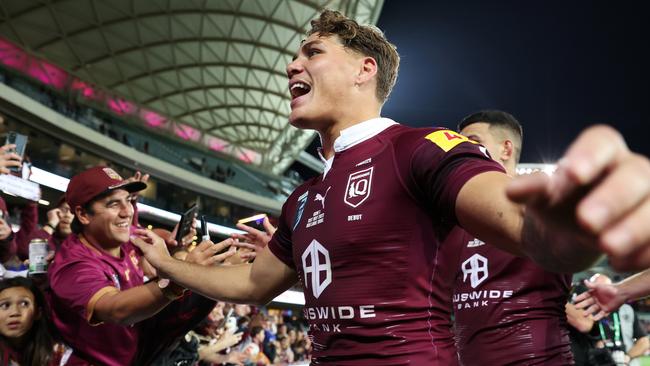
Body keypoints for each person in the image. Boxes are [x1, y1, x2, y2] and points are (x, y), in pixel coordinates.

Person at [133, 9, 650, 365]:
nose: (292, 64)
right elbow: (251, 284)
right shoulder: (305, 197)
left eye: (312, 52)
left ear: (365, 69)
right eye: (296, 56)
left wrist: (581, 221)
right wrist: (164, 264)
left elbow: (521, 225)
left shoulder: (421, 148)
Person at [47, 166, 236, 365]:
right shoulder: (72, 264)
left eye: (128, 200)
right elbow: (115, 310)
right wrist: (178, 278)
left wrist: (175, 246)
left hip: (138, 351)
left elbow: (151, 235)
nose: (127, 211)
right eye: (113, 204)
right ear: (83, 214)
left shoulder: (125, 237)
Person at [439, 110, 573, 364]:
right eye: (459, 145)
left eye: (474, 142)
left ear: (506, 149)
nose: (464, 151)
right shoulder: (456, 219)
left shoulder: (544, 203)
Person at [577, 274, 650, 366]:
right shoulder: (583, 312)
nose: (600, 292)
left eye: (605, 288)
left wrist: (627, 357)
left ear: (611, 286)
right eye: (595, 288)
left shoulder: (626, 310)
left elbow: (644, 341)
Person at [0, 277, 62, 366]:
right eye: (5, 305)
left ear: (38, 313)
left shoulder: (59, 354)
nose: (14, 313)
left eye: (24, 304)